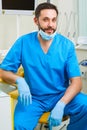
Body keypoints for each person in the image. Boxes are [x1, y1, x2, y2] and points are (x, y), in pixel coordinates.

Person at [0, 2, 87, 130]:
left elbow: (77, 83)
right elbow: (3, 72)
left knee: (85, 105)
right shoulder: (24, 42)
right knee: (20, 125)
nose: (50, 25)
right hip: (33, 98)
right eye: (45, 20)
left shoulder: (66, 45)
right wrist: (19, 80)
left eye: (53, 20)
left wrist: (61, 104)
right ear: (36, 20)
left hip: (60, 95)